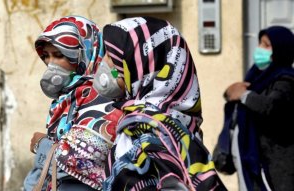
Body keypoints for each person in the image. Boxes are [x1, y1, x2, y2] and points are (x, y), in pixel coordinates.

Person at [92, 17, 226, 191]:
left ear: (139, 63)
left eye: (111, 56)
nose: (104, 62)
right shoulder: (156, 120)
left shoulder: (151, 127)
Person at [23, 16, 122, 191]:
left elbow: (81, 159)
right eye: (46, 56)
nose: (51, 63)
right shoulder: (68, 96)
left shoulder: (102, 96)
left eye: (59, 55)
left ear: (85, 53)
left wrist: (41, 145)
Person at [220, 26, 294, 190]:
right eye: (260, 43)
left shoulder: (287, 82)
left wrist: (244, 95)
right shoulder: (256, 78)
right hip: (253, 162)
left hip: (276, 168)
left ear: (280, 51)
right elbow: (237, 102)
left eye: (266, 45)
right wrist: (230, 92)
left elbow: (271, 108)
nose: (260, 49)